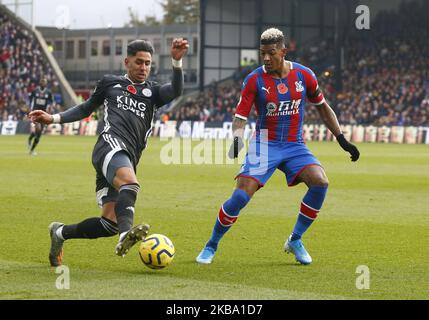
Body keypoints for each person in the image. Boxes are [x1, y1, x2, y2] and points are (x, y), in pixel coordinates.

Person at [196, 28, 360, 265]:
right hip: (265, 143)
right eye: (262, 53)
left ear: (283, 51)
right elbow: (240, 117)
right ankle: (211, 245)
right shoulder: (254, 79)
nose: (266, 58)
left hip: (294, 144)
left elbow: (323, 107)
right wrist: (236, 141)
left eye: (271, 53)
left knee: (320, 182)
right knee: (241, 196)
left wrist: (342, 139)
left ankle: (295, 239)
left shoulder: (305, 75)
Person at [29, 38, 188, 267]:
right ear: (127, 62)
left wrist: (176, 61)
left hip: (127, 157)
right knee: (130, 185)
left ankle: (60, 233)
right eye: (139, 62)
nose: (143, 67)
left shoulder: (152, 92)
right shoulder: (109, 84)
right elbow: (85, 108)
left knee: (108, 224)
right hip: (109, 145)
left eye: (148, 64)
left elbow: (176, 89)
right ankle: (126, 235)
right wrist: (53, 118)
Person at [28, 77, 53, 156]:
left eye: (45, 82)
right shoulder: (35, 91)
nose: (43, 83)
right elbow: (30, 99)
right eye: (42, 82)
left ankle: (31, 147)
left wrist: (49, 107)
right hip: (35, 112)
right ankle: (31, 147)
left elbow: (51, 101)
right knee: (38, 129)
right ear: (40, 83)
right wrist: (30, 110)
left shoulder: (48, 92)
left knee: (39, 134)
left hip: (43, 113)